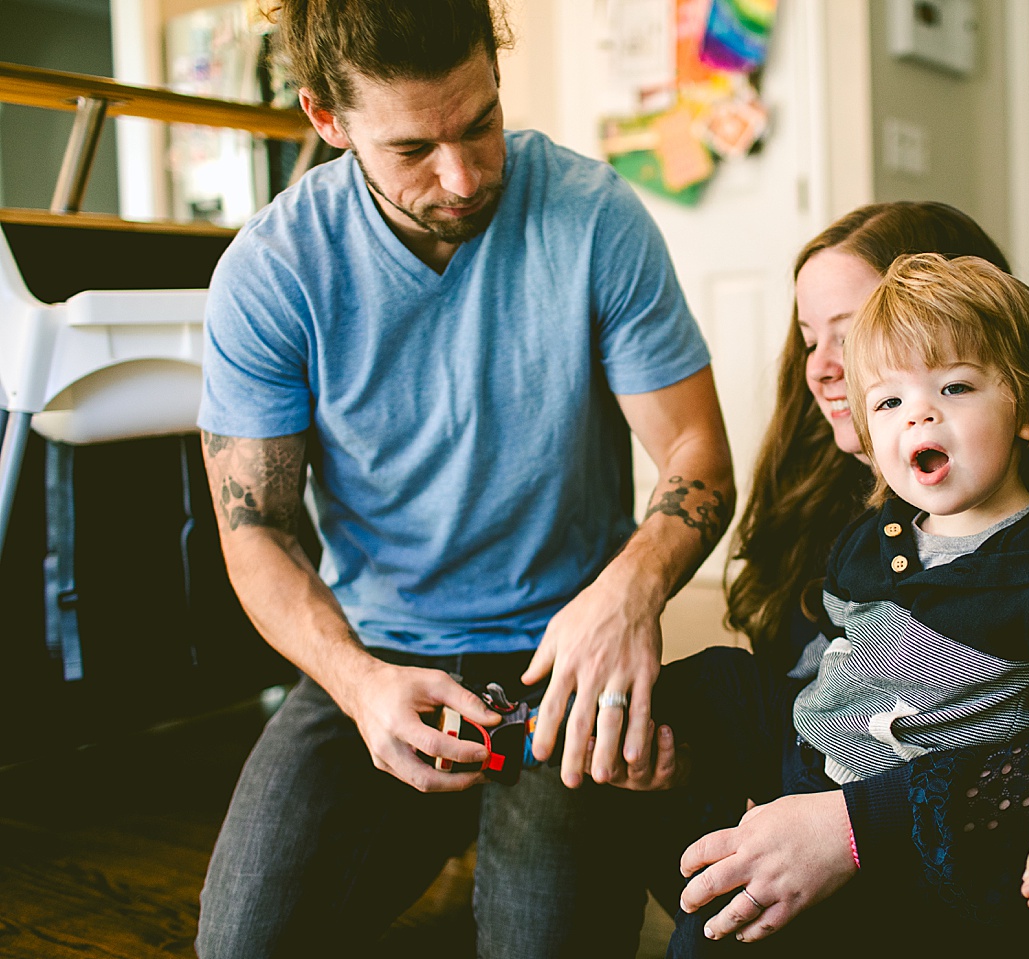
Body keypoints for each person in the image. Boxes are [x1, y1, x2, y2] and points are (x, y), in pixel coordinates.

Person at [193, 2, 733, 957]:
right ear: (328, 119)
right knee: (241, 946)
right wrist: (360, 686)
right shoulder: (272, 272)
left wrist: (630, 592)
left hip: (562, 667)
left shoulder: (592, 215)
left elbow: (696, 456)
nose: (465, 175)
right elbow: (255, 533)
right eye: (413, 149)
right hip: (379, 658)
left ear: (494, 67)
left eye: (479, 122)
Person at [618, 202, 1029, 957]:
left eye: (850, 333)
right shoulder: (871, 501)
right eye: (809, 337)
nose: (824, 364)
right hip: (851, 756)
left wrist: (843, 825)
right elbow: (828, 659)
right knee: (675, 706)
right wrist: (728, 768)